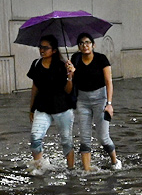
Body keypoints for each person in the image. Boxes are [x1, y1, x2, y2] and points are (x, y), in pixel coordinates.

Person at [70, 32, 121, 171]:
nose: (84, 45)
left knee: (103, 137)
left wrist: (109, 104)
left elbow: (109, 82)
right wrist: (71, 73)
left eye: (87, 42)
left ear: (93, 45)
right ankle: (87, 172)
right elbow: (70, 83)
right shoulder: (75, 58)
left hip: (100, 99)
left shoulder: (101, 59)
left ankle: (115, 161)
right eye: (81, 43)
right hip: (82, 100)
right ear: (79, 46)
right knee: (85, 138)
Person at [27, 33, 75, 171]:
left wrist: (70, 76)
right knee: (35, 139)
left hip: (62, 108)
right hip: (42, 108)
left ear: (54, 50)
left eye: (45, 47)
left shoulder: (62, 65)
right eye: (40, 47)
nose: (42, 50)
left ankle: (71, 170)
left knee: (66, 141)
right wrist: (31, 109)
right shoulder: (36, 64)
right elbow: (35, 87)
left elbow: (68, 90)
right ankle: (38, 168)